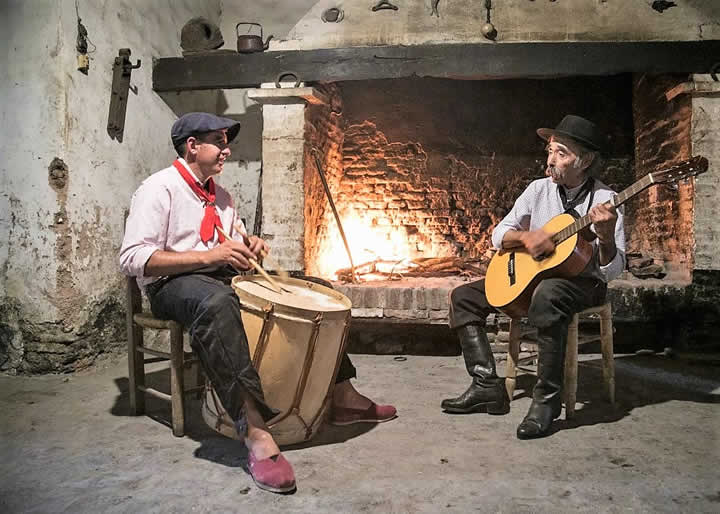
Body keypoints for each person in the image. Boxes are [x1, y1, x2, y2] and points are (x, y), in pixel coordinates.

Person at [119, 112, 396, 493]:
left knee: (313, 290)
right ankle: (255, 431)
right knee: (217, 303)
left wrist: (250, 248)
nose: (226, 150)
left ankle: (342, 392)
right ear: (192, 146)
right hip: (171, 285)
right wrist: (211, 257)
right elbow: (133, 258)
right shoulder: (158, 189)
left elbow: (232, 247)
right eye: (218, 141)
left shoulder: (222, 197)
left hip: (215, 277)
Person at [442, 115, 626, 439]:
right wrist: (527, 238)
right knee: (463, 297)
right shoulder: (538, 190)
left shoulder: (605, 201)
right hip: (536, 278)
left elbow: (612, 271)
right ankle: (486, 385)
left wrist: (606, 237)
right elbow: (499, 235)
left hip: (584, 283)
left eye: (561, 153)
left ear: (585, 161)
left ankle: (546, 401)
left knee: (548, 293)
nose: (550, 159)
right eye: (550, 150)